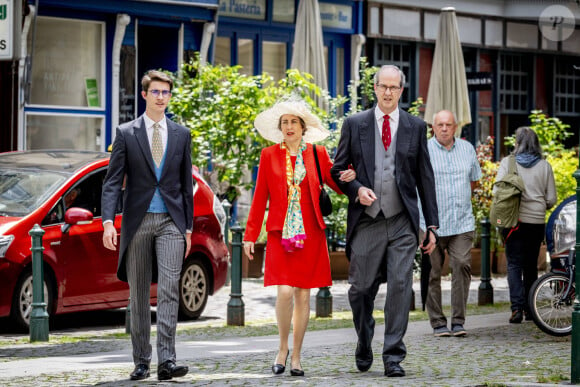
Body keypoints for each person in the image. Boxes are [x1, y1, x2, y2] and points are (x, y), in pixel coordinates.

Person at [330, 64, 439, 378]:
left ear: (401, 91)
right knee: (360, 289)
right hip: (368, 220)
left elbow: (425, 178)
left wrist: (431, 225)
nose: (388, 92)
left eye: (394, 88)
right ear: (375, 88)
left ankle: (393, 355)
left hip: (402, 220)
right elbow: (338, 171)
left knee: (401, 287)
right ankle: (364, 338)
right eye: (383, 87)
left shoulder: (415, 127)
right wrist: (356, 188)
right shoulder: (355, 123)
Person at [242, 98, 355, 377]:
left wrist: (350, 177)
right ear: (280, 127)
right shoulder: (269, 155)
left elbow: (337, 185)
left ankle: (297, 356)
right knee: (284, 292)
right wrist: (250, 235)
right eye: (285, 122)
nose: (289, 126)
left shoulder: (317, 154)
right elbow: (259, 198)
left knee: (304, 296)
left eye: (294, 122)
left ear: (303, 127)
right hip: (281, 233)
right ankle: (282, 348)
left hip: (310, 233)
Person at [101, 70, 193, 381]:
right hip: (137, 222)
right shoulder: (126, 133)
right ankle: (141, 360)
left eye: (165, 92)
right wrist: (108, 223)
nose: (160, 97)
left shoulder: (181, 134)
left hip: (171, 221)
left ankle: (167, 360)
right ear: (144, 95)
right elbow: (112, 182)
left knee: (168, 290)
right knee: (139, 293)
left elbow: (185, 185)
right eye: (155, 92)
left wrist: (188, 228)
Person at [422, 110, 481, 338]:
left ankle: (458, 321)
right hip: (431, 224)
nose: (444, 128)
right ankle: (437, 322)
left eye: (448, 124)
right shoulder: (424, 150)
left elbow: (473, 180)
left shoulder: (467, 149)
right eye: (440, 125)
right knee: (432, 273)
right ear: (433, 127)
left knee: (462, 265)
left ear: (456, 127)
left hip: (461, 222)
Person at [495, 126, 556, 324]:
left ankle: (516, 309)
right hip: (536, 222)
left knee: (513, 264)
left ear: (518, 143)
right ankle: (531, 310)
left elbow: (498, 191)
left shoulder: (507, 162)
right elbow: (552, 199)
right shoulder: (545, 166)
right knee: (531, 266)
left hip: (514, 222)